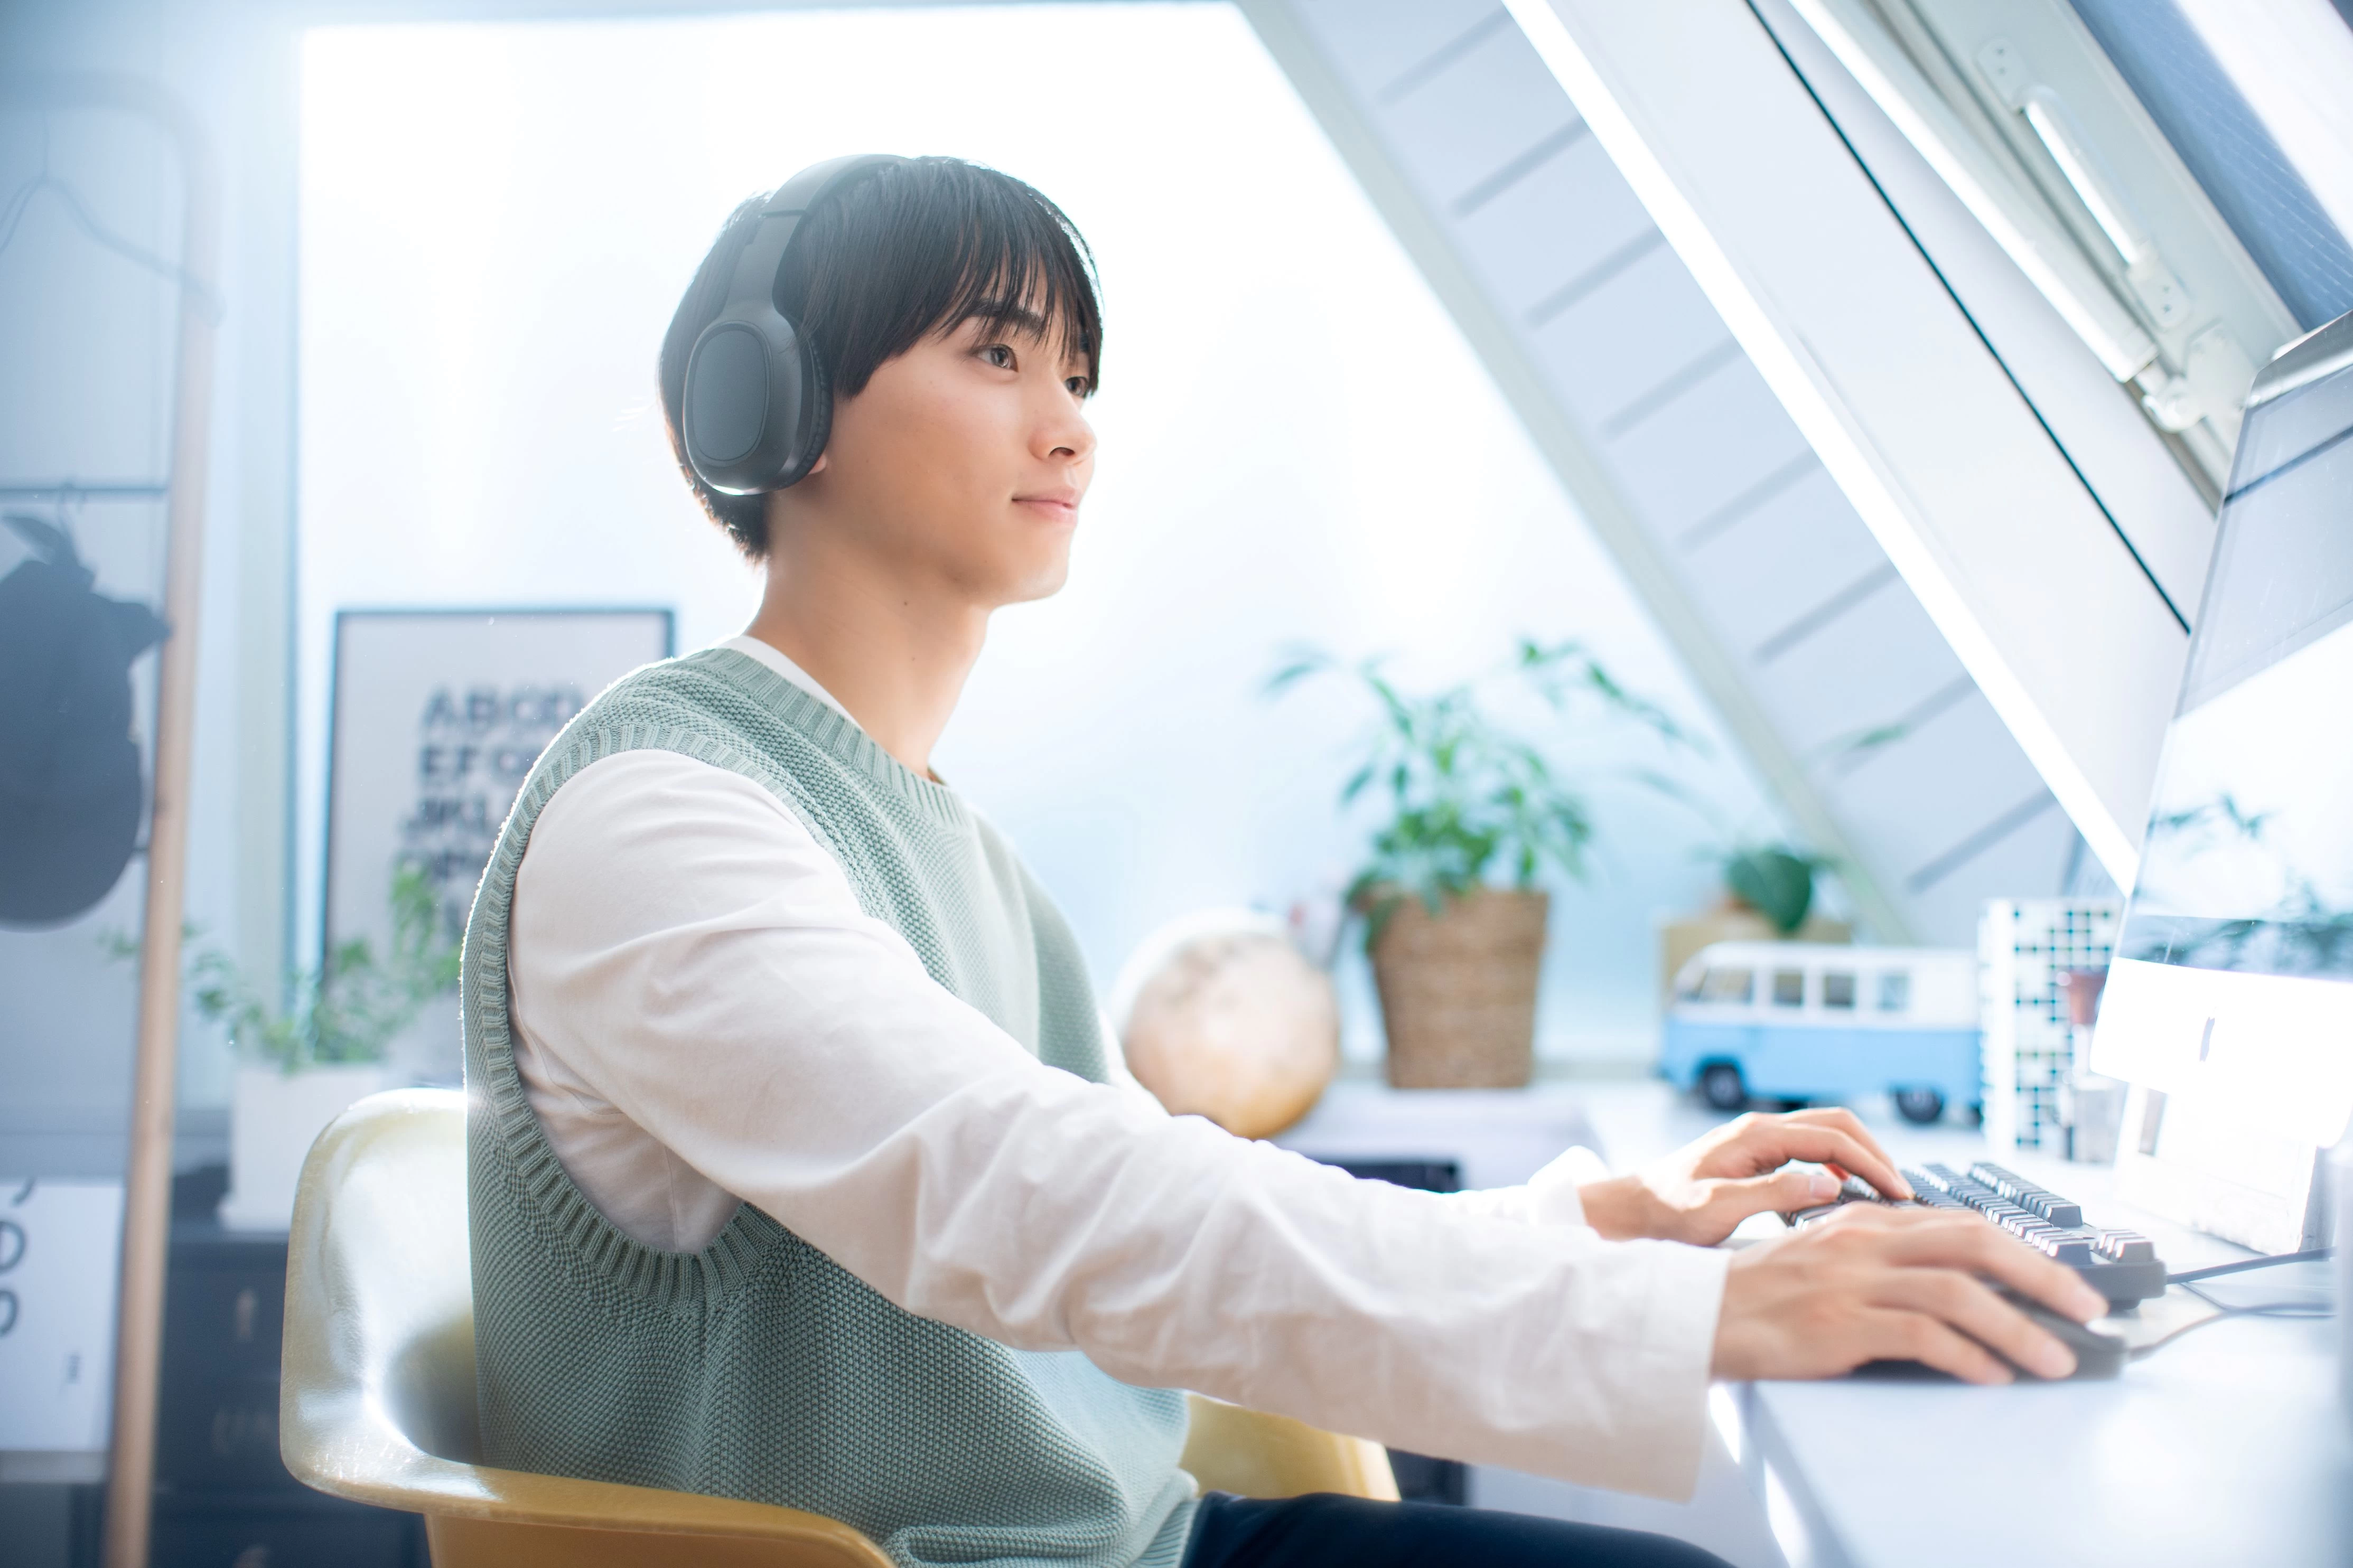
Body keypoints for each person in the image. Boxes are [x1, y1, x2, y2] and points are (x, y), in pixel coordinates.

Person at [462, 156, 2109, 1568]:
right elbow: (1035, 1202)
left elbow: (1143, 1196)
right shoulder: (660, 815)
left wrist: (1593, 1224)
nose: (1071, 431)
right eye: (995, 353)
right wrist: (1695, 1327)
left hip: (1133, 1534)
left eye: (1079, 378)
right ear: (777, 404)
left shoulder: (942, 838)